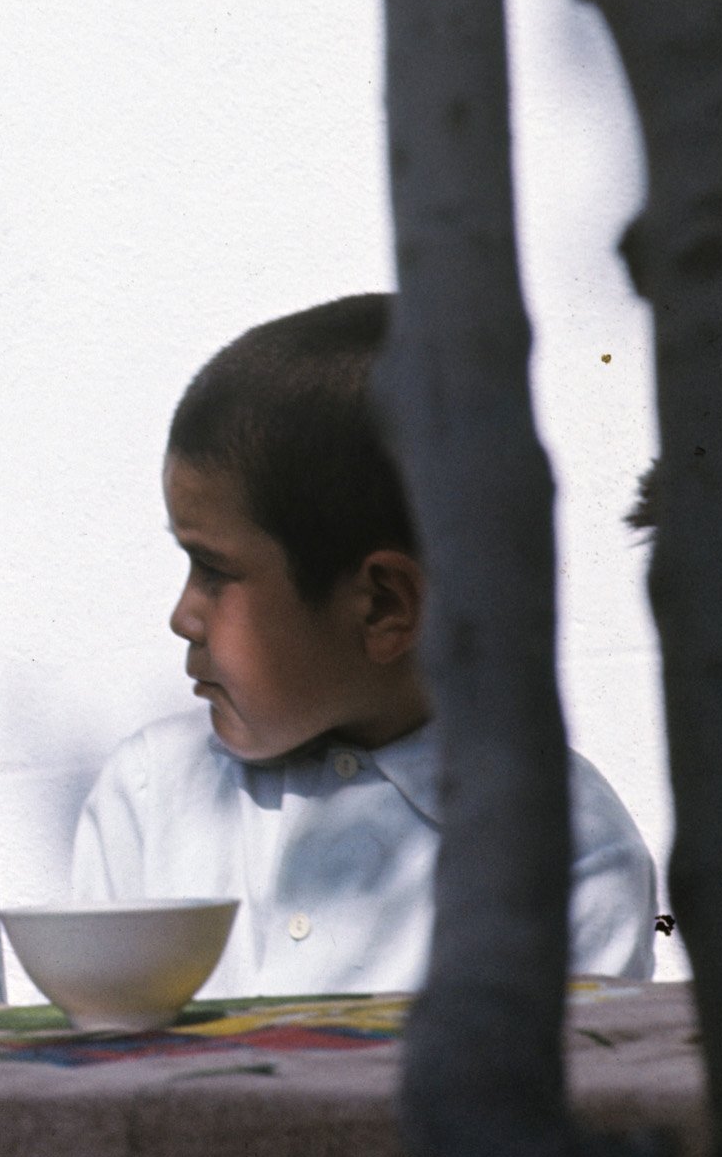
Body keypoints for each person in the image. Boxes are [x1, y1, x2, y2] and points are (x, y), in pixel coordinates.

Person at [71, 295, 657, 994]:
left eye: (214, 572)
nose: (181, 615)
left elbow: (562, 1096)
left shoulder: (565, 852)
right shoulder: (150, 795)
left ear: (382, 605)